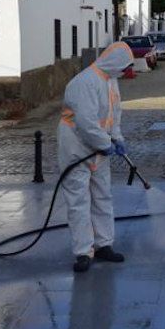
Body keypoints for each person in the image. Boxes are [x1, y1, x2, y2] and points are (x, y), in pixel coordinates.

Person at [58, 41, 135, 273]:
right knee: (78, 199)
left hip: (99, 146)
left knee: (103, 195)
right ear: (115, 62)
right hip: (76, 146)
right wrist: (106, 144)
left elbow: (114, 113)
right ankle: (83, 252)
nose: (125, 71)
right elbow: (86, 123)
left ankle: (104, 244)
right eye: (125, 66)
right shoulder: (84, 82)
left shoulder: (110, 81)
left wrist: (117, 137)